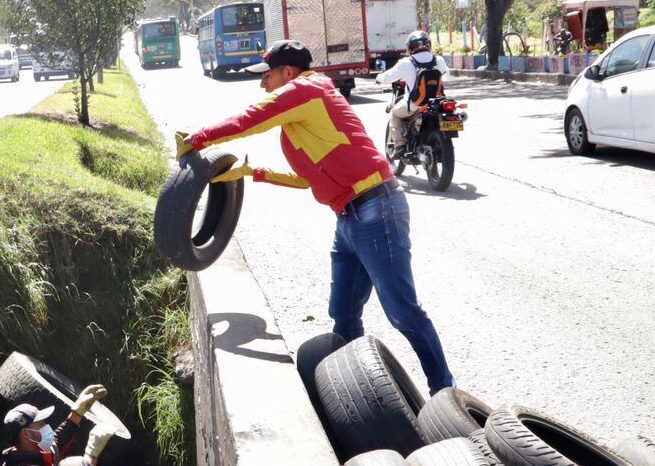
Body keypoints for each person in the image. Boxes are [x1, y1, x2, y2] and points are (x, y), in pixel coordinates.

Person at [175, 39, 455, 393]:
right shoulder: (300, 118)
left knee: (402, 311)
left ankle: (444, 391)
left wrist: (199, 139)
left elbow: (250, 119)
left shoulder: (306, 89)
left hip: (376, 208)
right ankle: (360, 391)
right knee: (344, 313)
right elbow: (308, 180)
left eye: (267, 76)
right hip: (348, 218)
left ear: (288, 72)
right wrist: (252, 172)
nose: (263, 84)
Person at [375, 30, 448, 154]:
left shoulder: (406, 62)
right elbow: (446, 76)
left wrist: (378, 78)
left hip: (415, 105)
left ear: (409, 47)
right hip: (437, 104)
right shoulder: (438, 60)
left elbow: (388, 77)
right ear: (428, 45)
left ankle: (400, 145)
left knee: (395, 113)